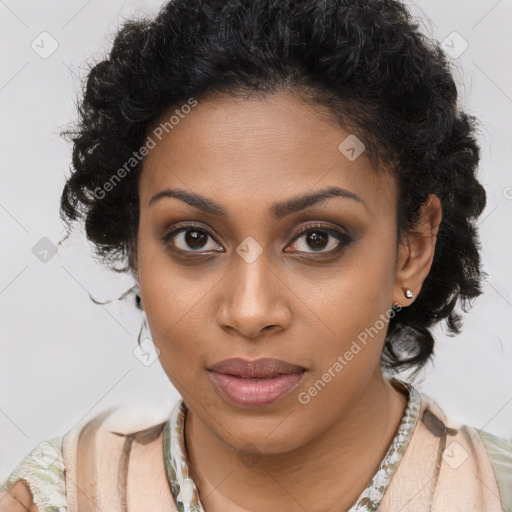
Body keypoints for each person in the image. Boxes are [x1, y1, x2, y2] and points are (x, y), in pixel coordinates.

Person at [1, 0, 511, 510]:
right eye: (194, 238)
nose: (249, 312)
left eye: (317, 239)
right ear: (136, 250)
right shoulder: (57, 497)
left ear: (412, 252)